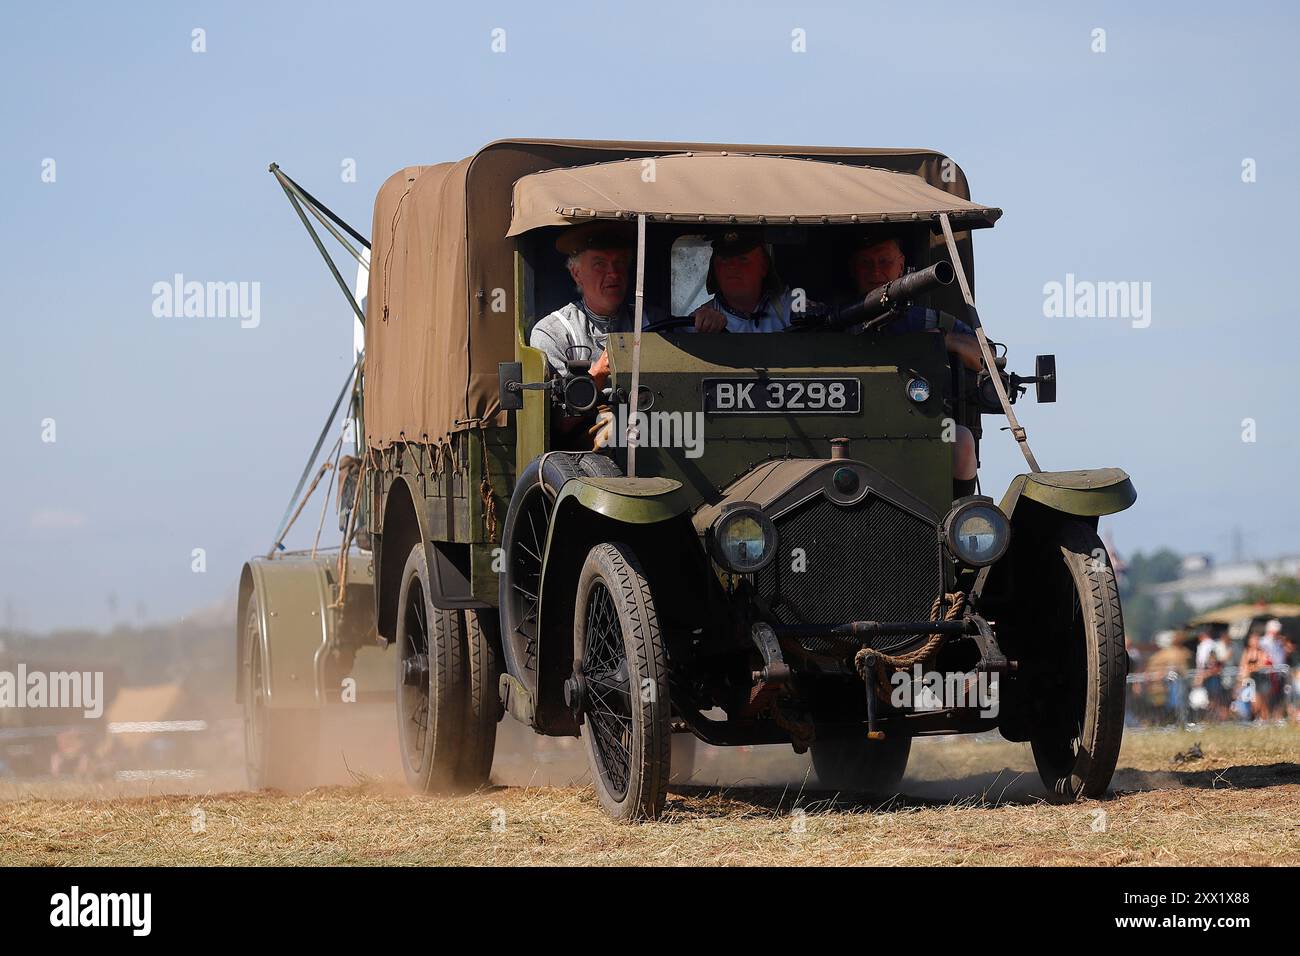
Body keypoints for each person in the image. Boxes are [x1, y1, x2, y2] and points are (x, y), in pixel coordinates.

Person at [848, 236, 982, 496]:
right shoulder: (831, 323)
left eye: (884, 261)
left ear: (901, 266)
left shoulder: (928, 320)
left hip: (923, 428)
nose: (875, 271)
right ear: (853, 270)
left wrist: (945, 340)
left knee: (961, 440)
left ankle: (963, 523)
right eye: (865, 263)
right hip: (846, 432)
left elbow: (985, 359)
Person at [689, 229, 807, 333]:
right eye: (724, 260)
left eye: (743, 259)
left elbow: (814, 317)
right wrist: (703, 327)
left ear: (763, 266)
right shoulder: (699, 320)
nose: (732, 266)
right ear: (714, 269)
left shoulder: (788, 305)